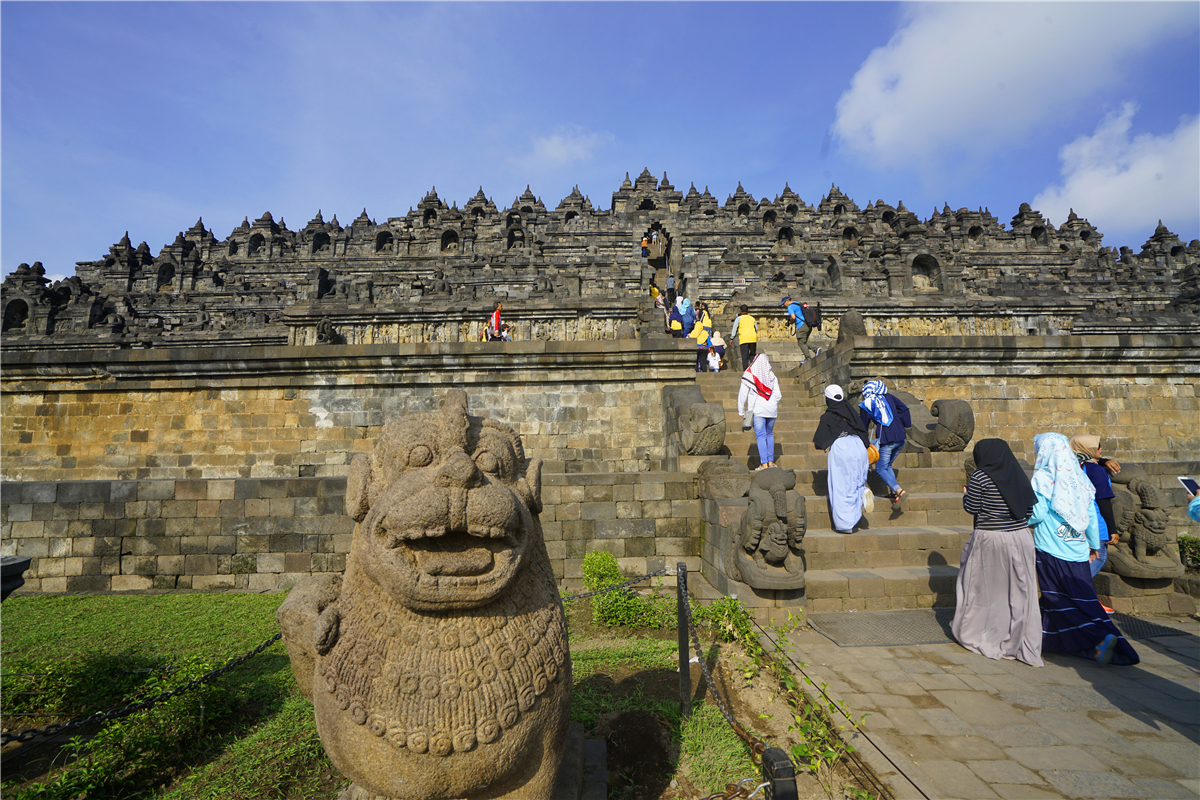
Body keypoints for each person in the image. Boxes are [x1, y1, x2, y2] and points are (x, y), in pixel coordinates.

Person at [1029, 433, 1138, 666]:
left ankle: (1099, 637)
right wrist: (1093, 544)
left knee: (1057, 598)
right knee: (1082, 599)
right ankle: (1052, 641)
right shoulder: (1079, 476)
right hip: (1078, 548)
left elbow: (1037, 514)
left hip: (1051, 548)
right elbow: (1090, 514)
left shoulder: (1044, 477)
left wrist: (1017, 517)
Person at [952, 439, 1043, 666]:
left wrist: (966, 494)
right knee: (1020, 589)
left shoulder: (980, 476)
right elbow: (1028, 510)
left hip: (992, 540)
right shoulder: (1018, 474)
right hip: (1021, 537)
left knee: (986, 589)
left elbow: (972, 507)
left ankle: (987, 633)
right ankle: (1017, 637)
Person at [813, 384, 870, 533]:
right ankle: (862, 492)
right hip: (859, 446)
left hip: (842, 449)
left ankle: (845, 525)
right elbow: (863, 431)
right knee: (857, 481)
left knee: (841, 487)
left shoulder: (827, 417)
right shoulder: (851, 412)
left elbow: (819, 442)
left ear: (828, 399)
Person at [1070, 434, 1120, 580]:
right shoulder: (1096, 471)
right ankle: (1073, 589)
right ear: (1088, 449)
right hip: (1096, 524)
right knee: (1098, 558)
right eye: (1097, 447)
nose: (1100, 449)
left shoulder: (1071, 467)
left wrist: (1103, 461)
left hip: (1076, 523)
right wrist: (1112, 530)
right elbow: (1103, 500)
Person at [859, 380, 912, 506]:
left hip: (887, 439)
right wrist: (904, 423)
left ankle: (899, 491)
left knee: (881, 468)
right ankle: (893, 492)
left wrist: (863, 441)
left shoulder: (867, 403)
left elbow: (863, 426)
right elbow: (904, 409)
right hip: (901, 437)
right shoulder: (889, 397)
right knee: (887, 465)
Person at [738, 354, 781, 471]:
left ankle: (764, 464)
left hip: (758, 410)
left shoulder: (749, 375)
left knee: (761, 436)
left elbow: (743, 394)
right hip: (772, 410)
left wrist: (741, 411)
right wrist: (772, 403)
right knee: (769, 434)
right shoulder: (772, 376)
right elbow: (778, 395)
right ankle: (771, 462)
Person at [780, 296, 821, 360]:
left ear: (787, 301)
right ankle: (816, 350)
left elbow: (793, 317)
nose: (783, 305)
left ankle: (809, 357)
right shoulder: (798, 304)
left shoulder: (790, 307)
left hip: (802, 326)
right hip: (808, 324)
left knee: (801, 343)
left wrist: (790, 322)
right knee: (803, 342)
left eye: (783, 303)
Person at [729, 304, 758, 370]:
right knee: (753, 354)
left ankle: (746, 369)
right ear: (748, 310)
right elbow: (756, 328)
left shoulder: (738, 319)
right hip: (752, 338)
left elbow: (734, 329)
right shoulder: (752, 318)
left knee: (745, 355)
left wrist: (731, 338)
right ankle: (753, 369)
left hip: (744, 339)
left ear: (740, 311)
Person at [691, 302, 713, 372]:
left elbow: (689, 339)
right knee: (703, 361)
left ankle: (696, 372)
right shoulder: (705, 332)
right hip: (704, 348)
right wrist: (711, 348)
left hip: (696, 348)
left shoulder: (693, 332)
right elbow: (709, 341)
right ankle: (704, 373)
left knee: (696, 361)